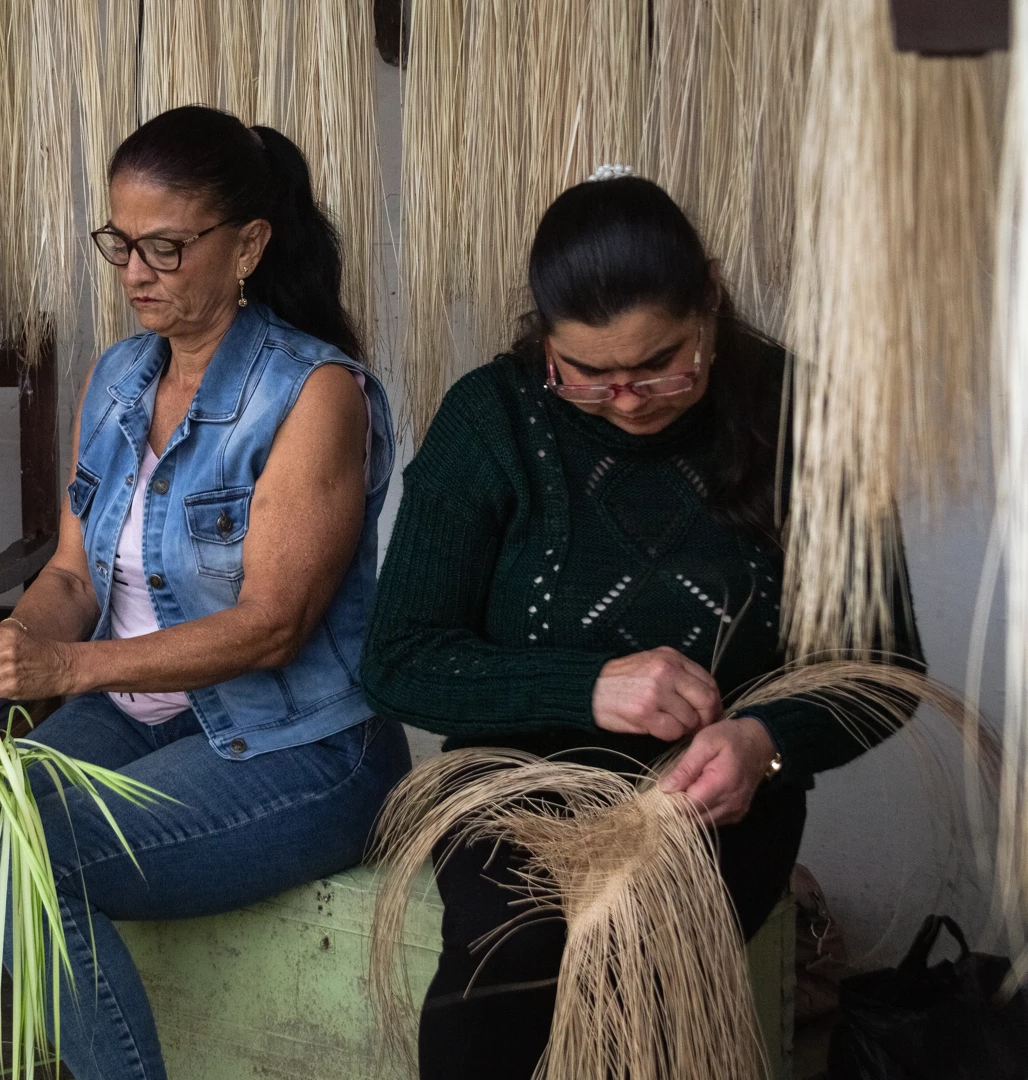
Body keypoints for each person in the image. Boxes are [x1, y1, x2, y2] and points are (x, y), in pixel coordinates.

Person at [359, 173, 923, 1080]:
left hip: (713, 803)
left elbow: (882, 661)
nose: (626, 399)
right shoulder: (493, 419)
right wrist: (586, 686)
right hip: (515, 787)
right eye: (586, 374)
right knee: (503, 973)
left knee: (640, 962)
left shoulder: (803, 418)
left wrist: (765, 742)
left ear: (709, 296)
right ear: (545, 337)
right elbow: (396, 659)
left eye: (661, 362)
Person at [0, 105, 411, 1080]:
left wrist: (65, 665)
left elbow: (271, 629)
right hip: (134, 724)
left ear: (248, 245)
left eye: (165, 249)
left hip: (294, 751)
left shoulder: (312, 395)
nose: (135, 272)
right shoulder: (122, 376)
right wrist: (0, 652)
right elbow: (71, 576)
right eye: (120, 244)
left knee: (14, 856)